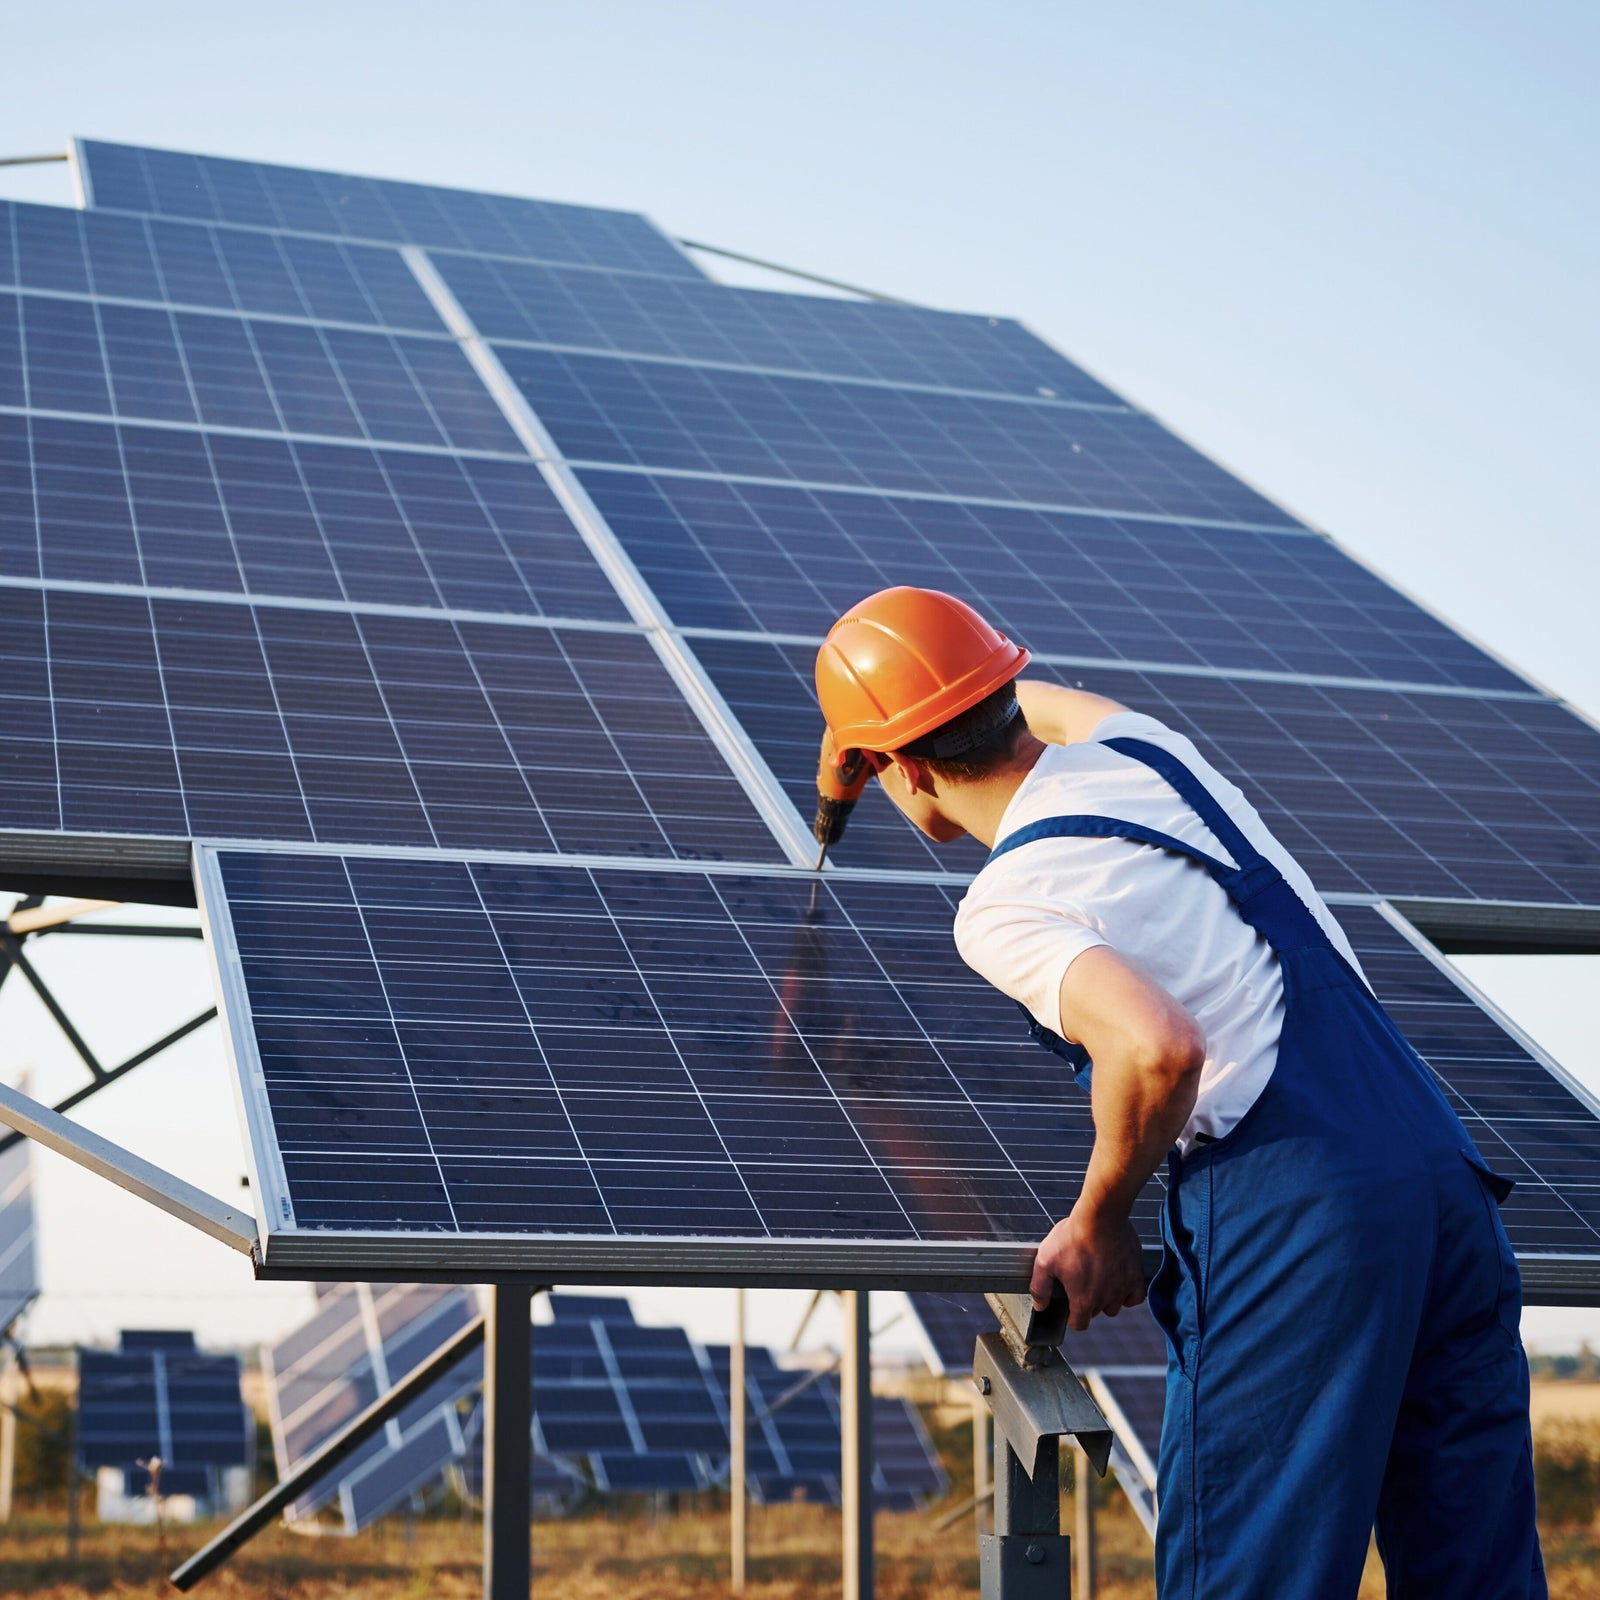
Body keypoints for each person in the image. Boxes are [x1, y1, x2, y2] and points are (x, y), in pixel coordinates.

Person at [814, 585, 1544, 1599]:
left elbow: (1157, 1048)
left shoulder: (1005, 903)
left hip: (1298, 1211)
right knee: (1478, 1576)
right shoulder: (1154, 756)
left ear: (898, 767)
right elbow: (1050, 707)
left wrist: (1099, 1218)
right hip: (1442, 1178)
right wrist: (919, 703)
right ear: (999, 692)